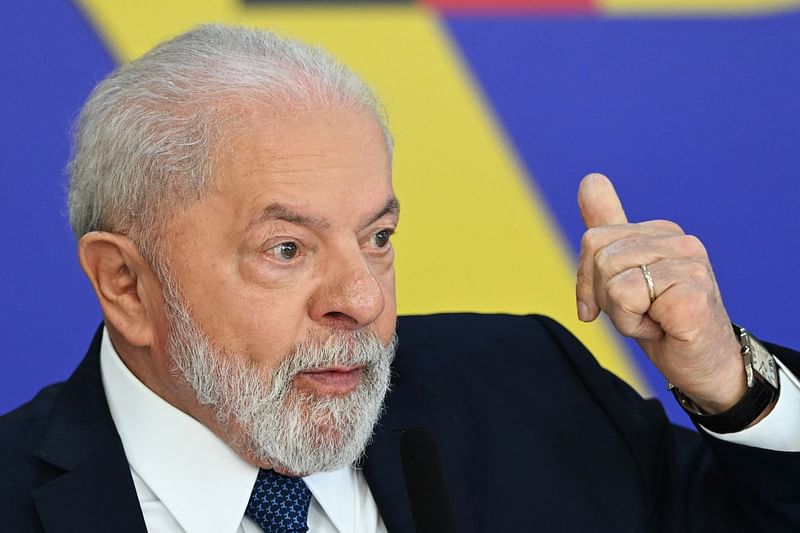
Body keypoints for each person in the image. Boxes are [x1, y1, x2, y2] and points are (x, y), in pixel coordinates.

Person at [1, 23, 798, 533]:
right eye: (287, 249)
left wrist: (735, 386)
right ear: (126, 285)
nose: (363, 298)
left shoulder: (530, 391)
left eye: (377, 235)